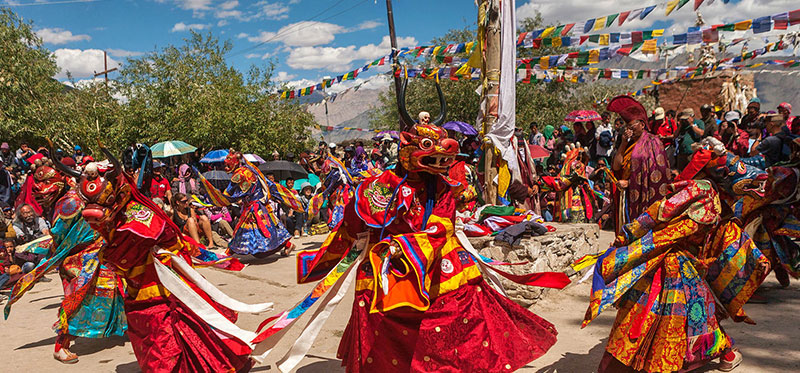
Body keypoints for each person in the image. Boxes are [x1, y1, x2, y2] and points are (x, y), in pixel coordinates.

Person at [285, 122, 568, 372]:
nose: (440, 163)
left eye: (443, 158)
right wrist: (328, 258)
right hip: (386, 269)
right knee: (382, 329)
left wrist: (404, 246)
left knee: (460, 314)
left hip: (436, 263)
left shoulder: (444, 187)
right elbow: (353, 224)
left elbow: (442, 225)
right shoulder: (378, 186)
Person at [608, 96, 670, 236]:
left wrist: (630, 183)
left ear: (642, 124)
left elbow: (656, 174)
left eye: (632, 126)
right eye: (627, 127)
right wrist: (623, 143)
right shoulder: (628, 143)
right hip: (626, 196)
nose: (629, 130)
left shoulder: (653, 143)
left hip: (644, 193)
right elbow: (617, 167)